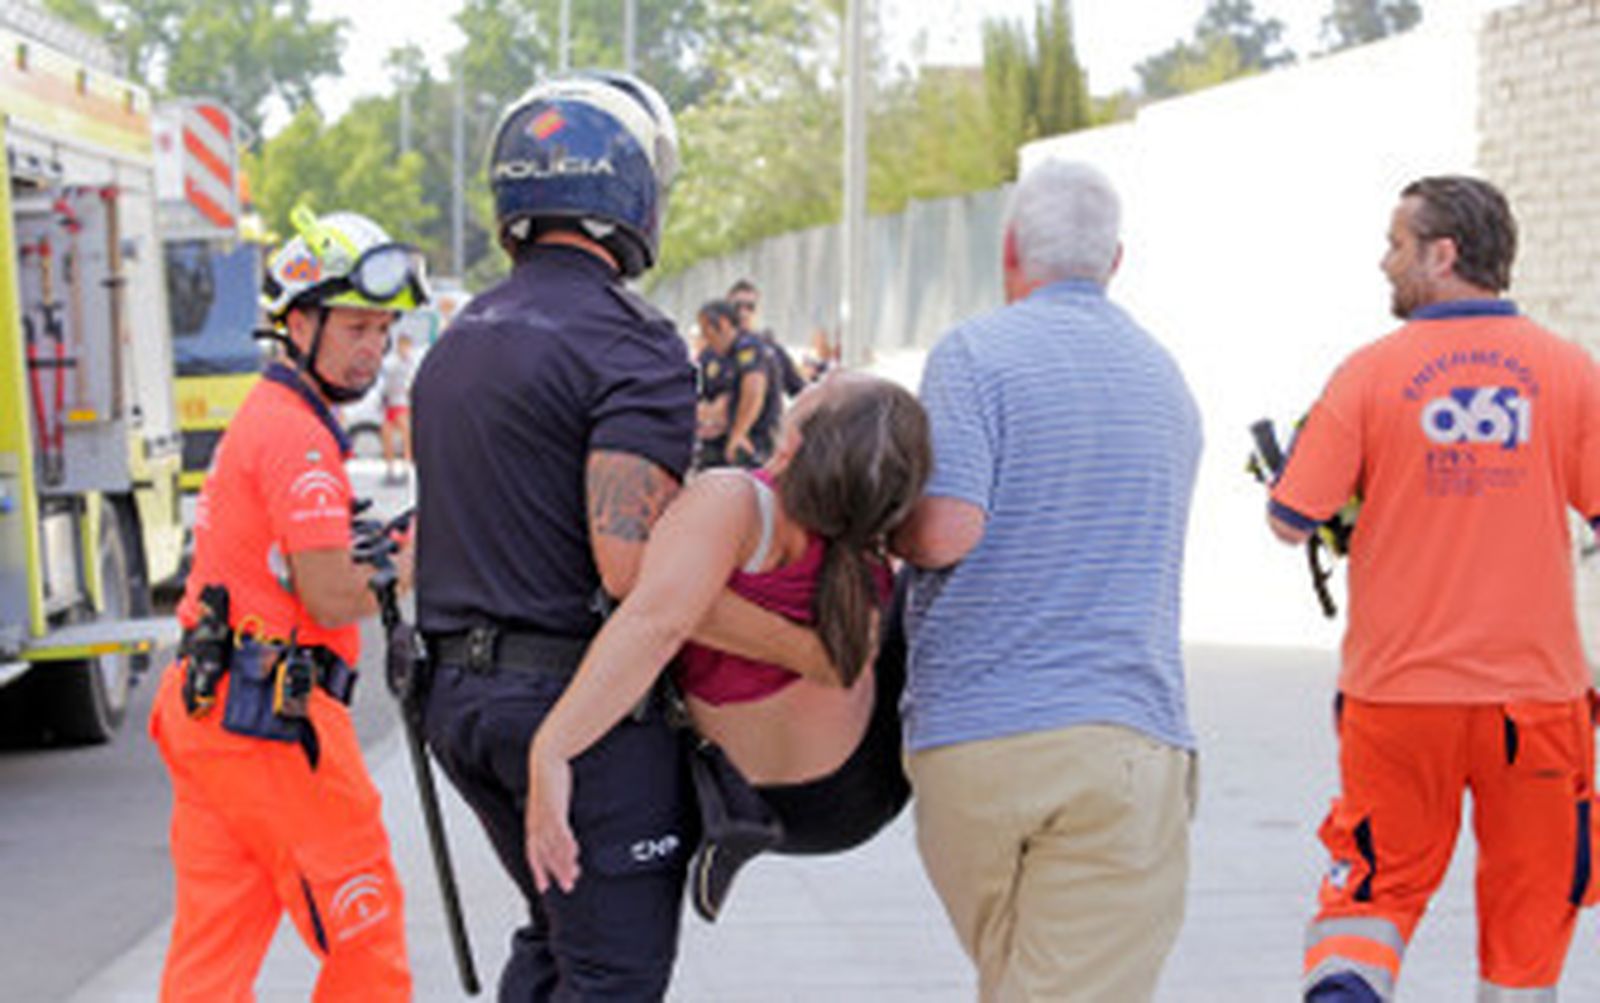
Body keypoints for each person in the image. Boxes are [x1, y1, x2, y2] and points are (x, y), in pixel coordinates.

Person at [411, 72, 834, 1000]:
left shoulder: (460, 337)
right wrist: (808, 646)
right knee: (614, 974)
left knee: (559, 938)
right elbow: (636, 566)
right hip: (575, 709)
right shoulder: (628, 339)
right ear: (633, 191)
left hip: (459, 702)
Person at [1267, 175, 1600, 1002]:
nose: (1385, 262)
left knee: (1373, 889)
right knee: (1530, 911)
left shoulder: (1368, 375)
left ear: (1443, 254)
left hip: (1399, 696)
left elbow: (1291, 519)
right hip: (1535, 702)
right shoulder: (1571, 373)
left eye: (1396, 244)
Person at [891, 158, 1201, 1002]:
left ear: (1009, 251)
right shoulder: (1165, 377)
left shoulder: (973, 354)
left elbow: (941, 529)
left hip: (970, 747)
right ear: (1117, 260)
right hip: (1120, 735)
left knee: (1018, 977)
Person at [524, 372, 932, 921]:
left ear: (792, 441)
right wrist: (816, 652)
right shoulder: (871, 537)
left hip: (746, 793)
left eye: (826, 384)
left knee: (667, 590)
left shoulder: (734, 499)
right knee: (917, 594)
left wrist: (552, 748)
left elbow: (653, 623)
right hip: (856, 800)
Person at [147, 207, 428, 1002]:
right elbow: (331, 593)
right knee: (365, 930)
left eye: (382, 329)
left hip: (213, 708)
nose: (374, 347)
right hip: (273, 721)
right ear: (297, 323)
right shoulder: (299, 438)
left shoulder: (273, 419)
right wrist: (416, 560)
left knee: (214, 951)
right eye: (355, 328)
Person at [728, 278, 805, 399]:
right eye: (737, 306)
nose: (743, 313)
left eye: (750, 307)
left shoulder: (772, 350)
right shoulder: (716, 349)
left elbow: (799, 390)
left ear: (757, 311)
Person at [693, 299, 740, 469]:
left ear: (723, 324)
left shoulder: (750, 352)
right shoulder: (707, 355)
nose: (704, 336)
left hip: (742, 443)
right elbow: (701, 396)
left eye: (706, 329)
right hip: (711, 441)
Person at [378, 331, 417, 483]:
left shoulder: (411, 364)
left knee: (406, 437)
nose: (404, 349)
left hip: (402, 404)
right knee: (387, 437)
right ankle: (390, 469)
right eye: (402, 345)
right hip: (389, 403)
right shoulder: (390, 362)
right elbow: (384, 383)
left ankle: (406, 469)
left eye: (407, 346)